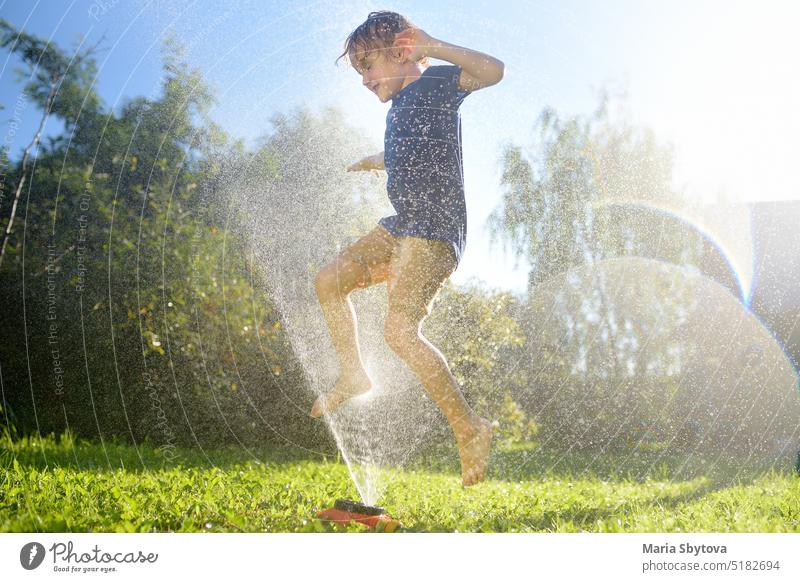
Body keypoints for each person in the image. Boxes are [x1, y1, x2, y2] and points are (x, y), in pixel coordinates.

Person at [311, 11, 504, 487]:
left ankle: (469, 428)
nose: (364, 80)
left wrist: (434, 45)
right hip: (401, 227)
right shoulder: (398, 109)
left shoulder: (438, 82)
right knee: (327, 281)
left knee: (399, 331)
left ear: (401, 52)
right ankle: (354, 374)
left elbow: (493, 71)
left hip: (434, 229)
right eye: (359, 72)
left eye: (368, 66)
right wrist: (378, 160)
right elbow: (411, 151)